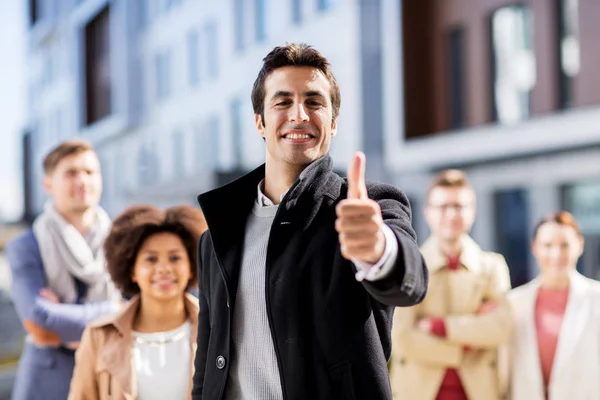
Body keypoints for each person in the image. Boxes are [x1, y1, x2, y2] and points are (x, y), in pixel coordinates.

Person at [191, 43, 428, 400]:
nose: (299, 114)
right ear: (260, 122)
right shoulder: (217, 237)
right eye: (282, 102)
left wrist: (379, 249)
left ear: (333, 124)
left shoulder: (368, 206)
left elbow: (410, 282)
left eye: (314, 102)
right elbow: (207, 359)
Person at [6, 139, 121, 400]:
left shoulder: (121, 241)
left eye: (90, 172)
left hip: (112, 377)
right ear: (48, 184)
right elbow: (39, 320)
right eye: (71, 173)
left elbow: (147, 309)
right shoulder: (25, 246)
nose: (82, 181)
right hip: (49, 385)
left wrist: (63, 325)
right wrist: (116, 312)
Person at [390, 169, 512, 400]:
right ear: (427, 213)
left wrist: (440, 328)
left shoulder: (491, 266)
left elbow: (500, 327)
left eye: (459, 206)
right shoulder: (408, 265)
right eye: (442, 207)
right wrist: (468, 343)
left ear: (473, 212)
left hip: (480, 392)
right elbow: (403, 340)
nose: (451, 214)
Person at [68, 204, 207, 400]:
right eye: (151, 259)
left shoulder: (217, 328)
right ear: (132, 270)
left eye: (175, 258)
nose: (163, 268)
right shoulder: (99, 335)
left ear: (192, 266)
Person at [504, 211, 600, 400]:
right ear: (534, 247)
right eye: (547, 245)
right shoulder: (513, 303)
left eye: (565, 245)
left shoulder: (596, 298)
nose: (556, 254)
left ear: (580, 245)